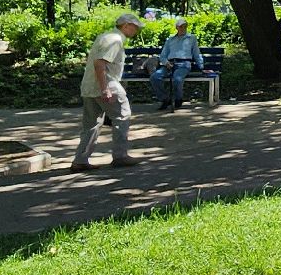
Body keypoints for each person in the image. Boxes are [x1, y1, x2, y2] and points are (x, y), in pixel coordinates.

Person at [73, 13, 142, 171]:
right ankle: (120, 156)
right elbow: (100, 64)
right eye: (135, 27)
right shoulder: (115, 40)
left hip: (89, 85)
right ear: (126, 25)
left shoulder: (106, 36)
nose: (136, 31)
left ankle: (80, 160)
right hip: (106, 84)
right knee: (122, 115)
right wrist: (105, 88)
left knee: (91, 124)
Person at [151, 18, 204, 111]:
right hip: (169, 64)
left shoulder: (191, 38)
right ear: (177, 27)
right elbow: (163, 56)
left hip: (184, 64)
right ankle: (165, 99)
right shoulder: (170, 40)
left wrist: (201, 67)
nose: (183, 28)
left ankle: (178, 99)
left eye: (185, 26)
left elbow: (196, 53)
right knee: (155, 77)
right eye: (181, 26)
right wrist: (166, 63)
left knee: (177, 79)